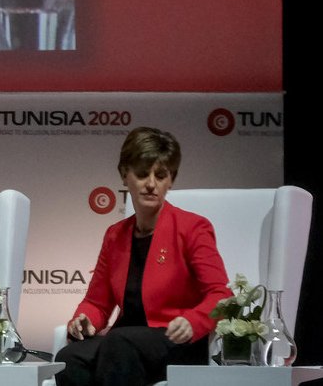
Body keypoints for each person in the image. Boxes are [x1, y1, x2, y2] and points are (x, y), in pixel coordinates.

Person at [55, 127, 227, 386]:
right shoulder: (115, 235)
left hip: (175, 340)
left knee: (119, 343)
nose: (150, 184)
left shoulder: (192, 228)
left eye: (160, 175)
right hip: (123, 343)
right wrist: (84, 320)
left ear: (171, 180)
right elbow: (98, 302)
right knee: (70, 356)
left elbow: (221, 296)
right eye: (142, 173)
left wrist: (194, 321)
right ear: (125, 175)